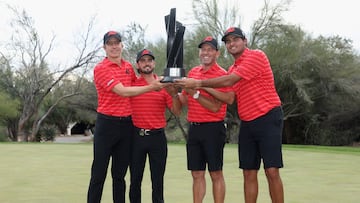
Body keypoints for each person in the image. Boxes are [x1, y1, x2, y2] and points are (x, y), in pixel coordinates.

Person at [175, 27, 284, 203]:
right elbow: (228, 97)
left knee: (271, 170)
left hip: (268, 116)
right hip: (247, 122)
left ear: (245, 41)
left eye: (235, 39)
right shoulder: (233, 67)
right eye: (228, 41)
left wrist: (198, 84)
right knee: (248, 171)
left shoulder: (256, 56)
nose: (232, 43)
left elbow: (229, 82)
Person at [87, 31, 164, 203]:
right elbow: (122, 91)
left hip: (126, 126)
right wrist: (153, 87)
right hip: (107, 124)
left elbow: (142, 82)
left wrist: (165, 82)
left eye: (117, 43)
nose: (114, 46)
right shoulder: (101, 68)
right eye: (110, 43)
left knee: (119, 175)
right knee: (99, 173)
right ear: (104, 47)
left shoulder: (129, 67)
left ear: (122, 45)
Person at [174, 36, 234, 203]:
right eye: (203, 49)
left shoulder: (223, 75)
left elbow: (216, 107)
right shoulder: (193, 73)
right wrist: (174, 91)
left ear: (217, 53)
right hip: (194, 128)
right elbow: (185, 101)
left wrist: (197, 90)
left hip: (213, 129)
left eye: (210, 49)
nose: (206, 52)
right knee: (197, 173)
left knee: (216, 173)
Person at [129, 49, 181, 203]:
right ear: (138, 64)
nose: (147, 63)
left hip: (157, 138)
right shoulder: (132, 84)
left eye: (149, 60)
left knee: (157, 181)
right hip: (136, 137)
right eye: (143, 60)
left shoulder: (163, 84)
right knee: (135, 180)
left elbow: (177, 111)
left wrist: (174, 94)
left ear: (154, 63)